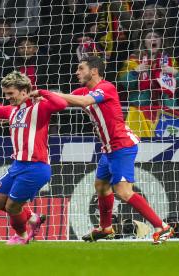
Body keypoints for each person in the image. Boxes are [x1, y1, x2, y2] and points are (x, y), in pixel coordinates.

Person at [55, 56, 174, 244]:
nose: (77, 72)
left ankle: (162, 227)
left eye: (80, 68)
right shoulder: (83, 90)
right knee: (101, 186)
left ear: (93, 71)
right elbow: (63, 102)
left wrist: (46, 92)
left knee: (124, 192)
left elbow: (84, 101)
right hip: (109, 148)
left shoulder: (106, 88)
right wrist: (34, 98)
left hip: (122, 146)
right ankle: (106, 228)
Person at [0, 71, 67, 244]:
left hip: (36, 166)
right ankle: (32, 218)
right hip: (17, 165)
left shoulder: (40, 107)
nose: (8, 98)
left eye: (11, 94)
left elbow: (62, 104)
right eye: (6, 94)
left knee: (12, 206)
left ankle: (22, 236)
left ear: (24, 91)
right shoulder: (11, 111)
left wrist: (42, 92)